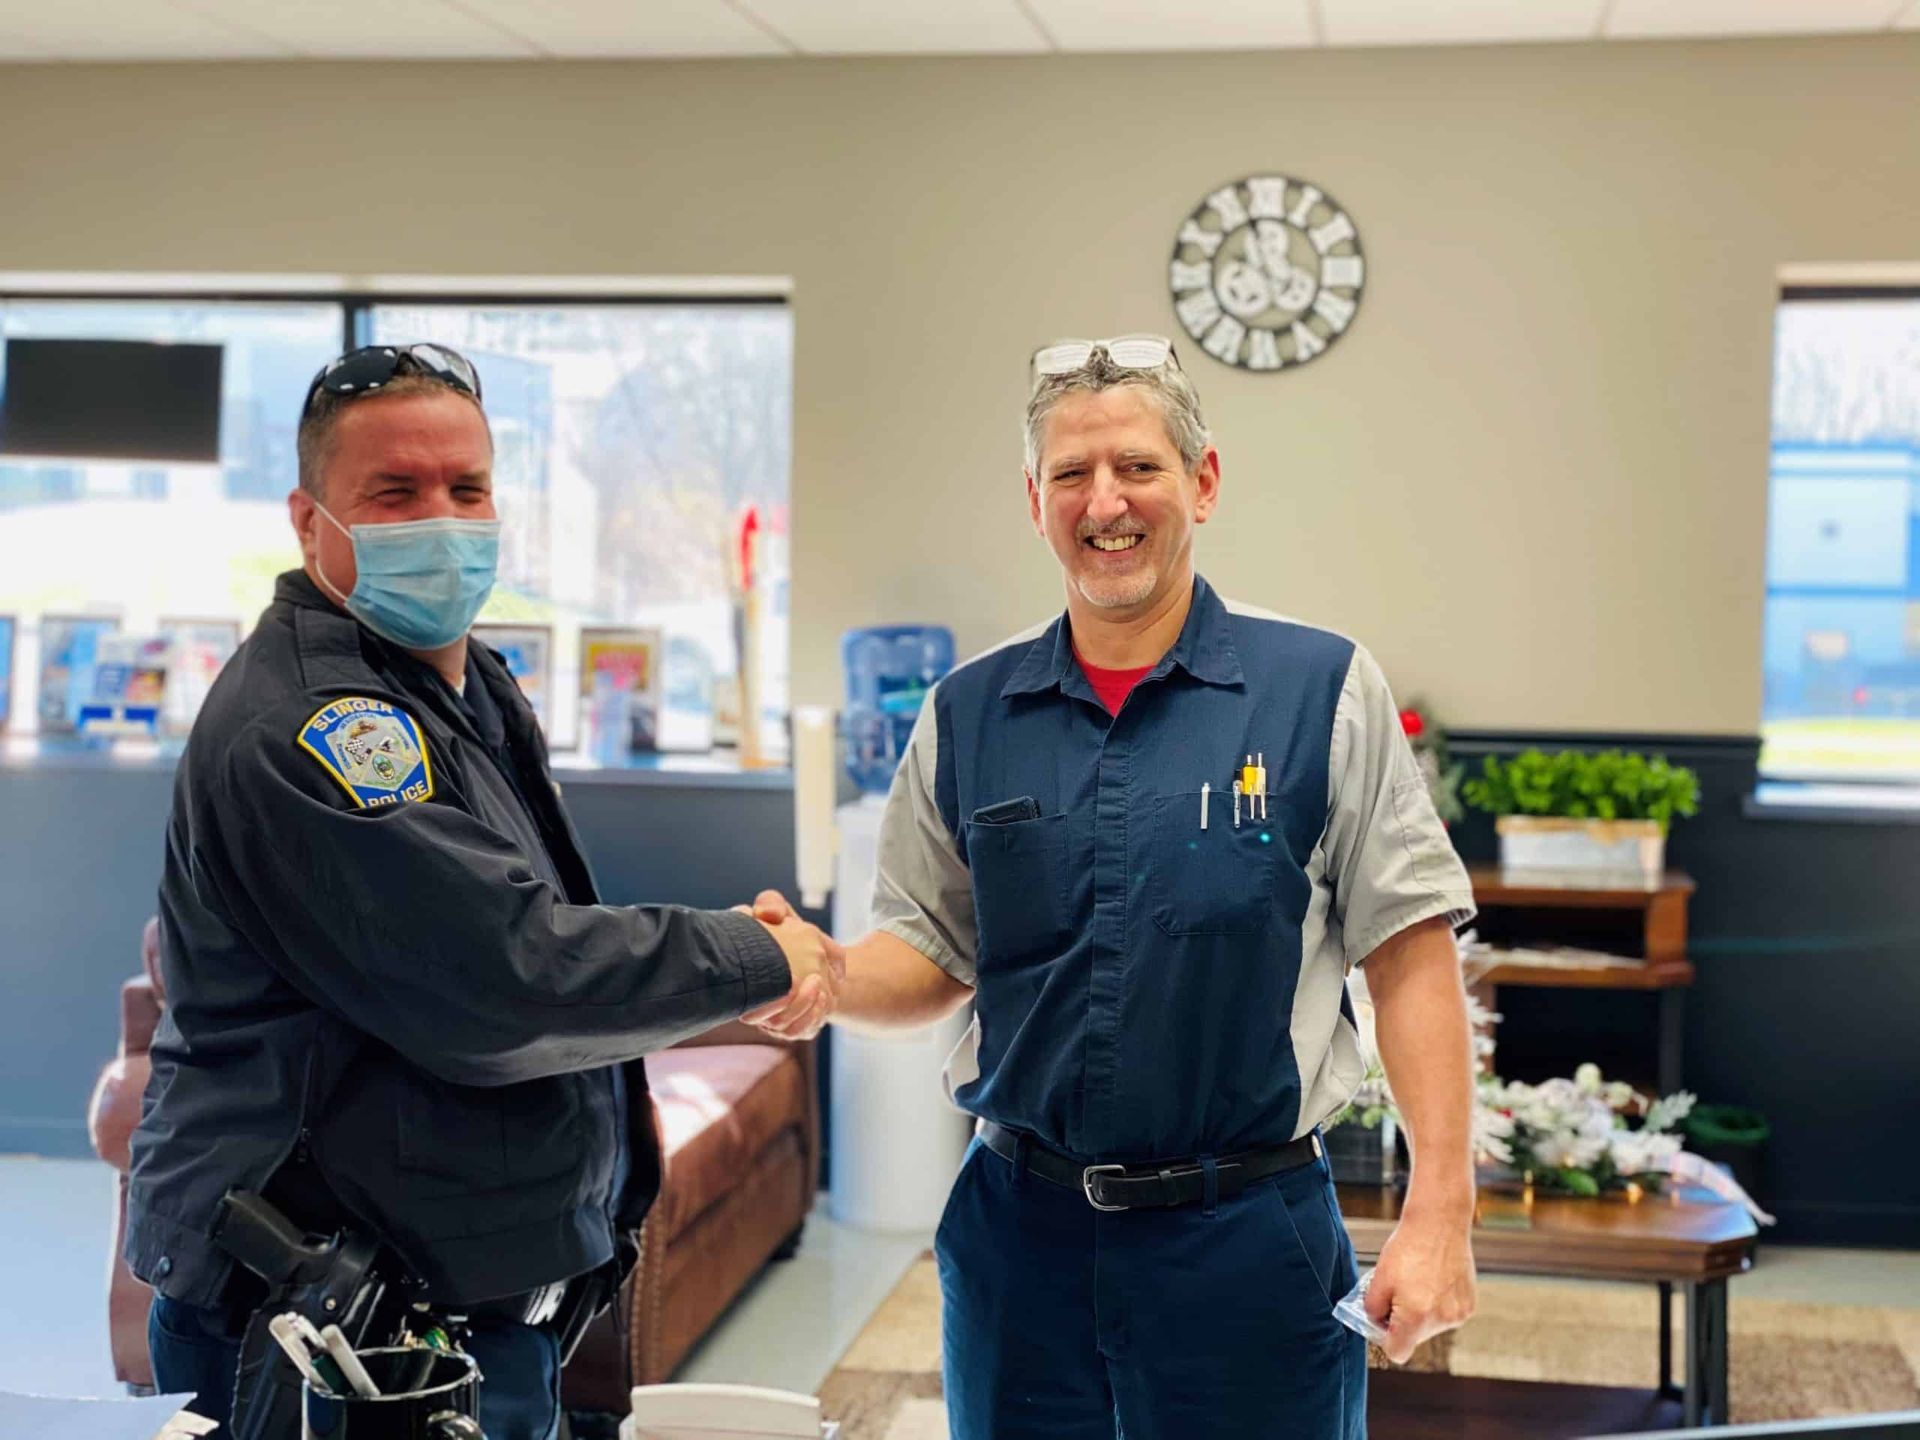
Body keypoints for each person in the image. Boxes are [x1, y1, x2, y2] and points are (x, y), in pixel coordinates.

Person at [751, 334, 1478, 1438]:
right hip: (1019, 1244)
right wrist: (830, 973)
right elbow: (934, 954)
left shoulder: (1318, 690)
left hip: (1246, 1240)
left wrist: (1441, 1209)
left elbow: (1409, 951)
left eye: (1138, 466)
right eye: (1073, 474)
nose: (1107, 502)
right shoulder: (966, 715)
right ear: (1034, 498)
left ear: (1203, 481)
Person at [126, 344, 842, 1440]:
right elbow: (510, 978)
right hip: (328, 1331)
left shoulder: (460, 686)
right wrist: (761, 957)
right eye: (395, 493)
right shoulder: (314, 729)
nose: (443, 521)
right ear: (309, 518)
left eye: (468, 489)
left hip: (455, 1312)